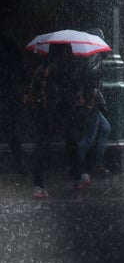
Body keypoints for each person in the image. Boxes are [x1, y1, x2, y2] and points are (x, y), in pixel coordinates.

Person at [29, 44, 88, 198]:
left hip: (43, 113)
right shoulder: (65, 68)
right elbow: (71, 90)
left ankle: (38, 185)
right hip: (63, 113)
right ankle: (77, 177)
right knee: (71, 143)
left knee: (41, 147)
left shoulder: (42, 68)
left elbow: (35, 91)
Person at [0, 35, 27, 175]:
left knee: (11, 131)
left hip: (8, 95)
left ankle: (19, 164)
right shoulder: (11, 47)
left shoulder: (8, 47)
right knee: (12, 131)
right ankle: (19, 164)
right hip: (10, 95)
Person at [77, 87, 111, 175]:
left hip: (93, 106)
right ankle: (77, 165)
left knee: (105, 128)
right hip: (90, 107)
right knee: (88, 138)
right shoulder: (89, 80)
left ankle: (97, 163)